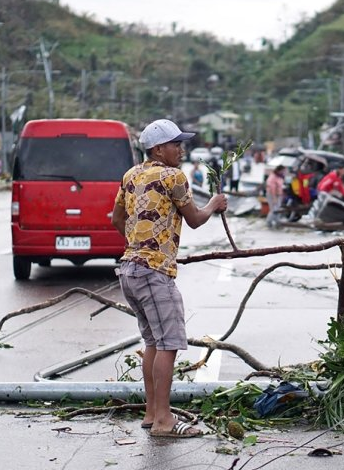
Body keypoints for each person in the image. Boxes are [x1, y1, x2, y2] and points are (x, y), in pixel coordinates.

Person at [111, 118, 227, 439]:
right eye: (176, 144)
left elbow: (115, 218)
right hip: (154, 273)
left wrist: (138, 244)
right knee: (169, 344)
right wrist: (214, 204)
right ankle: (164, 421)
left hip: (130, 270)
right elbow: (194, 220)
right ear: (158, 149)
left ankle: (151, 413)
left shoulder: (131, 175)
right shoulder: (173, 176)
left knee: (152, 341)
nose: (181, 149)